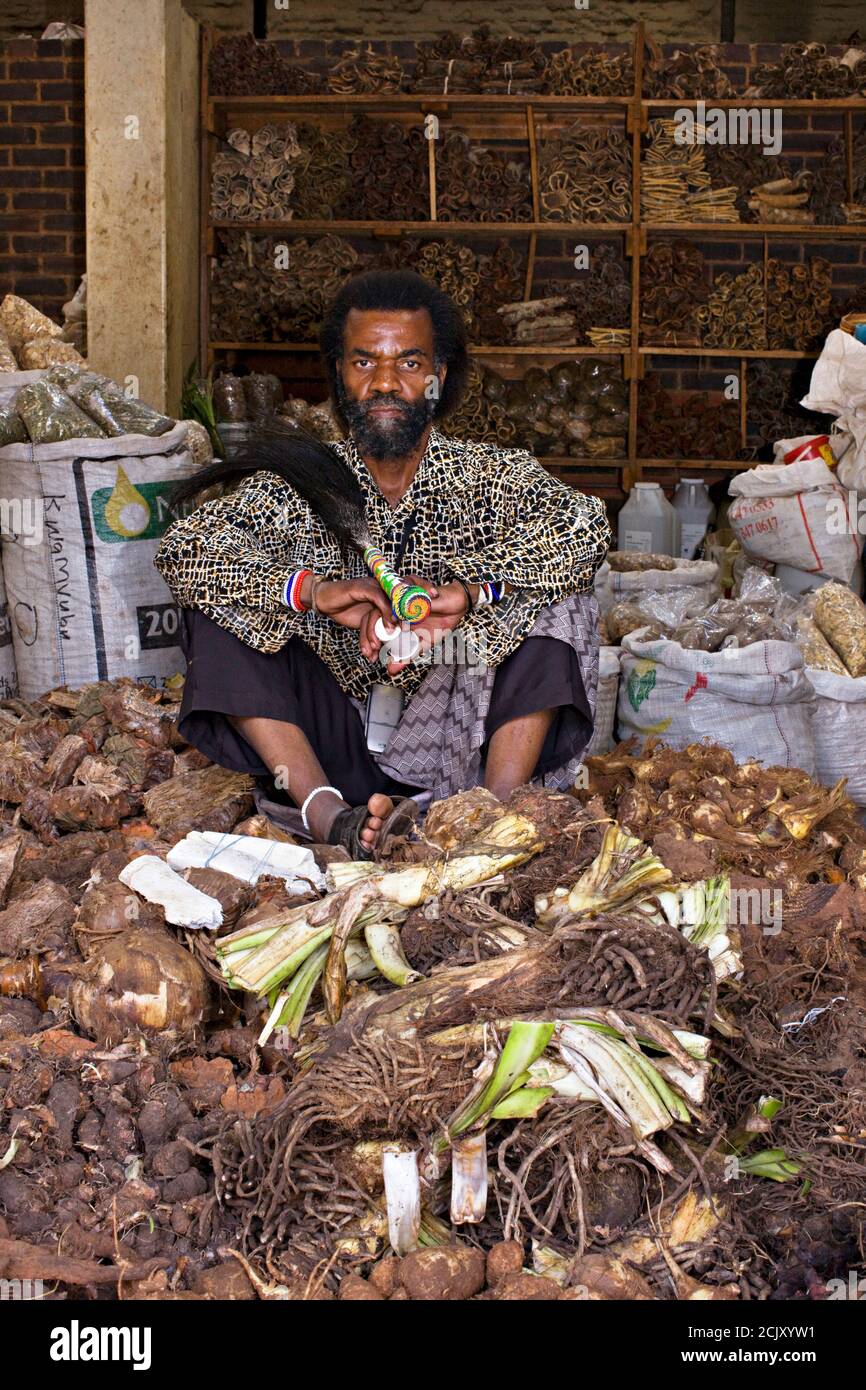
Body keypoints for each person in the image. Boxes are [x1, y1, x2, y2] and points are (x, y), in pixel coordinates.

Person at [155, 270, 611, 857]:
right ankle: (328, 817)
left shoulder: (494, 478)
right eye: (364, 363)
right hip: (333, 744)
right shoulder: (299, 485)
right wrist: (310, 593)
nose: (386, 383)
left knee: (559, 598)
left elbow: (586, 526)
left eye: (410, 364)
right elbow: (185, 548)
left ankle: (489, 827)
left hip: (461, 742)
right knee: (217, 601)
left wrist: (472, 595)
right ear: (339, 377)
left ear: (439, 379)